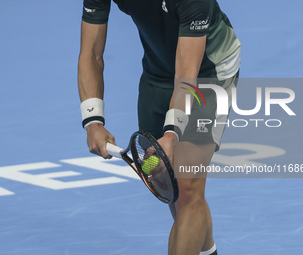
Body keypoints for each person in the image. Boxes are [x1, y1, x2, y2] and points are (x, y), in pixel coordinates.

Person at [78, 0, 241, 254]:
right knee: (176, 189)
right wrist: (93, 119)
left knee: (187, 186)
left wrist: (171, 133)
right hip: (157, 74)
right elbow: (91, 53)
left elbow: (187, 72)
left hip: (208, 74)